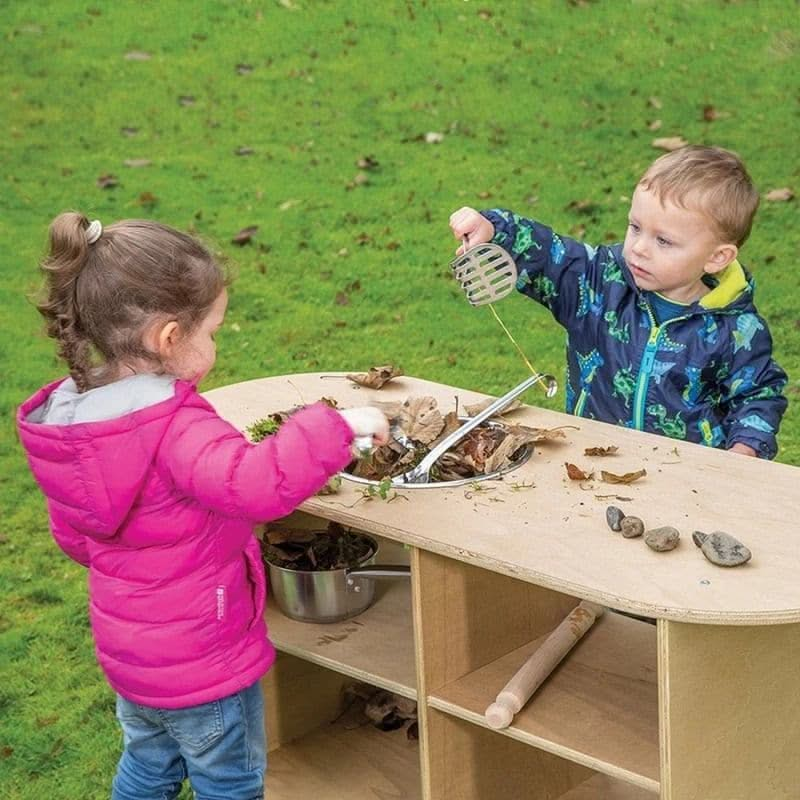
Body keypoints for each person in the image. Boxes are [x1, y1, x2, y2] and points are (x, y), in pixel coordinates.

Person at [16, 212, 389, 800]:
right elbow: (255, 482)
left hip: (132, 661)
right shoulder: (176, 428)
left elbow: (74, 537)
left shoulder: (76, 425)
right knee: (230, 782)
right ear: (168, 337)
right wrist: (337, 425)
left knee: (148, 766)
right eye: (212, 330)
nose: (215, 343)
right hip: (205, 666)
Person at [449, 145, 787, 458]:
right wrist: (494, 231)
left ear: (717, 258)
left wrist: (744, 451)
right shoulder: (598, 282)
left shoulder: (737, 329)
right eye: (635, 227)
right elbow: (548, 255)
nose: (639, 247)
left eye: (664, 241)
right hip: (595, 461)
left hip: (687, 478)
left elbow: (758, 396)